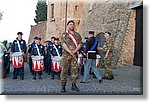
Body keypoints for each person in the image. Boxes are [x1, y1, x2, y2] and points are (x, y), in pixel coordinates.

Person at [60, 20, 82, 92]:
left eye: (73, 25)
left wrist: (75, 51)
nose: (72, 26)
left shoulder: (77, 35)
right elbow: (63, 44)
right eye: (70, 24)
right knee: (64, 71)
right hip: (66, 55)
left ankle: (74, 85)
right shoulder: (64, 35)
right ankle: (63, 86)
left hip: (74, 56)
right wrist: (69, 51)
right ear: (68, 26)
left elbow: (80, 44)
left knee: (74, 71)